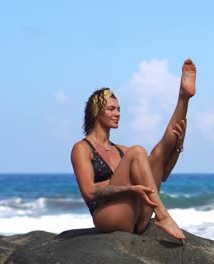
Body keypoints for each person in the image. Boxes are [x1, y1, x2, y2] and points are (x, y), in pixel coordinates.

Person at [71, 58, 196, 242]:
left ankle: (183, 98)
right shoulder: (82, 148)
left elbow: (162, 175)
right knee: (138, 151)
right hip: (107, 216)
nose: (118, 113)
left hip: (137, 216)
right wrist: (130, 189)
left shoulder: (123, 151)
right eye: (111, 109)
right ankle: (163, 216)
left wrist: (178, 146)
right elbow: (89, 192)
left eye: (119, 109)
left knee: (157, 152)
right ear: (96, 112)